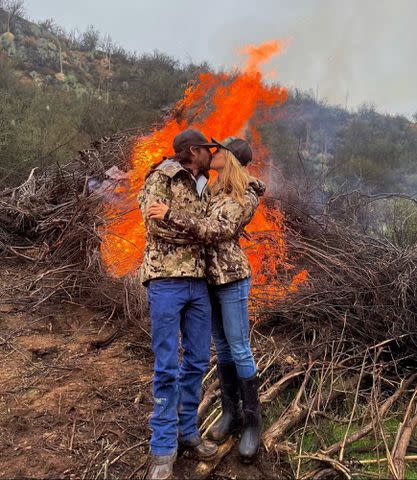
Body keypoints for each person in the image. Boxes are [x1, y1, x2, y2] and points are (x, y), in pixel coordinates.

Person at [148, 137, 266, 462]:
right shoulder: (214, 190)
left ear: (231, 158)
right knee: (224, 348)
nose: (213, 154)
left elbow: (217, 230)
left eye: (220, 151)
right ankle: (231, 414)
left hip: (231, 279)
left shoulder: (244, 195)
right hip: (208, 279)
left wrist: (171, 215)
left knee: (239, 347)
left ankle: (253, 424)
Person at [138, 129, 219, 480]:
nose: (210, 155)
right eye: (206, 149)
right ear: (192, 151)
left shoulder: (206, 184)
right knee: (167, 365)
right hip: (166, 281)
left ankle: (188, 432)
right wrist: (198, 229)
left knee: (198, 361)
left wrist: (178, 218)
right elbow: (156, 228)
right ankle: (162, 447)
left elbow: (214, 229)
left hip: (199, 283)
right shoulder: (161, 177)